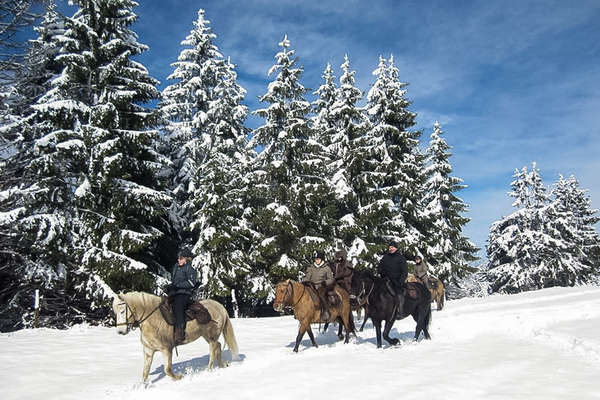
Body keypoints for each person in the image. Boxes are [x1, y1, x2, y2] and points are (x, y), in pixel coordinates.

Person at [168, 248, 198, 344]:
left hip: (184, 293)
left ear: (186, 259)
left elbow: (191, 283)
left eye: (181, 258)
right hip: (175, 292)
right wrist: (170, 286)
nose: (178, 260)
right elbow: (174, 280)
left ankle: (180, 331)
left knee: (178, 306)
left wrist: (178, 285)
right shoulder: (176, 267)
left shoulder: (190, 269)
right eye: (178, 258)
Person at [377, 241, 408, 319]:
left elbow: (404, 272)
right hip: (385, 280)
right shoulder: (385, 257)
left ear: (396, 248)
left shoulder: (401, 258)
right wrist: (382, 272)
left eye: (392, 247)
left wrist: (400, 282)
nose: (391, 249)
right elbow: (380, 268)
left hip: (396, 281)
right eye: (390, 247)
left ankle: (399, 311)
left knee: (399, 295)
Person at [303, 251, 334, 322]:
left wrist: (325, 282)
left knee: (321, 295)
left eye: (318, 259)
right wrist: (304, 280)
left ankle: (326, 311)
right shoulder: (311, 267)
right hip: (311, 286)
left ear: (322, 259)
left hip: (322, 286)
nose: (317, 261)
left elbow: (331, 279)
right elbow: (308, 277)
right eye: (316, 259)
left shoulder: (326, 268)